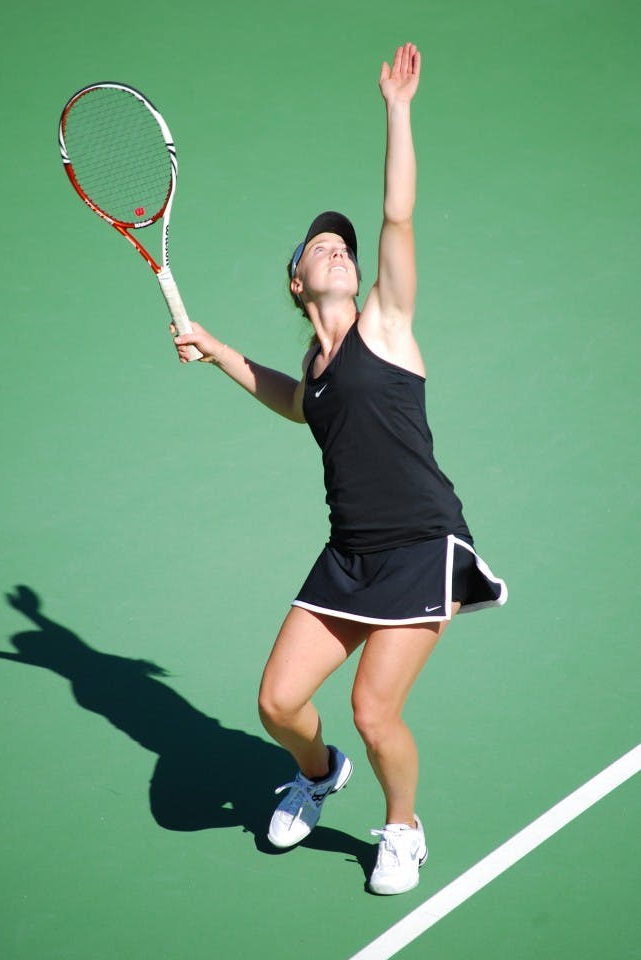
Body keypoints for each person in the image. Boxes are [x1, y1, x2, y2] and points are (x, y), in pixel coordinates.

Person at [173, 42, 507, 895]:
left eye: (343, 248)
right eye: (321, 248)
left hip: (420, 547)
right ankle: (320, 774)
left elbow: (396, 218)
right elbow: (293, 399)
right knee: (277, 705)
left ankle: (402, 829)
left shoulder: (385, 328)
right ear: (296, 283)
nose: (339, 250)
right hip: (349, 555)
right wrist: (216, 352)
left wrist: (397, 109)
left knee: (372, 708)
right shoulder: (321, 375)